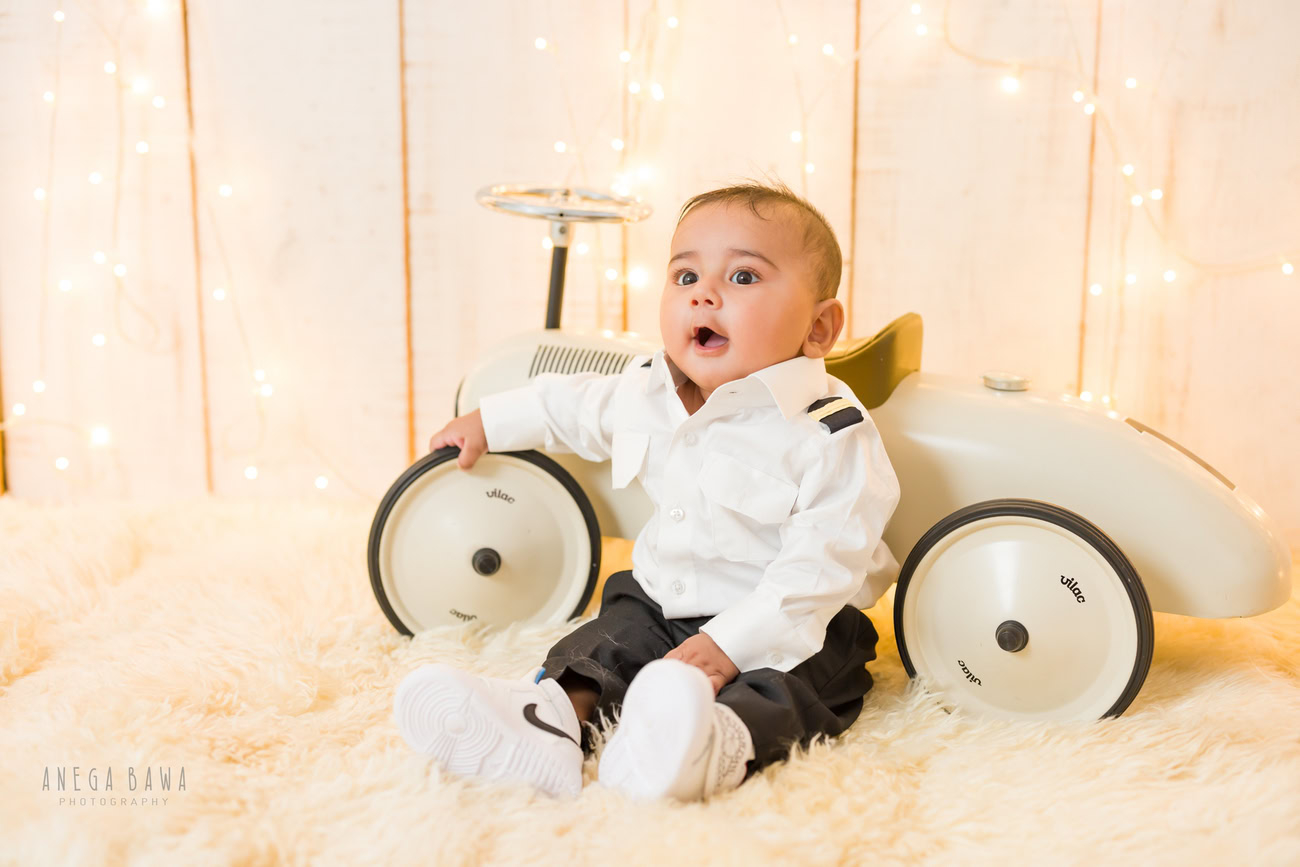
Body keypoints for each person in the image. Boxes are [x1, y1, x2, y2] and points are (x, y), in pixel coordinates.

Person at [393, 179, 902, 802]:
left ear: (819, 327)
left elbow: (822, 565)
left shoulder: (828, 433)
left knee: (789, 687)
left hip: (793, 623)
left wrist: (728, 645)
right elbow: (573, 406)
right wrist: (489, 422)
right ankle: (550, 721)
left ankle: (710, 743)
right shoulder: (649, 389)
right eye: (685, 277)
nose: (705, 295)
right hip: (665, 599)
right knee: (607, 642)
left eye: (743, 278)